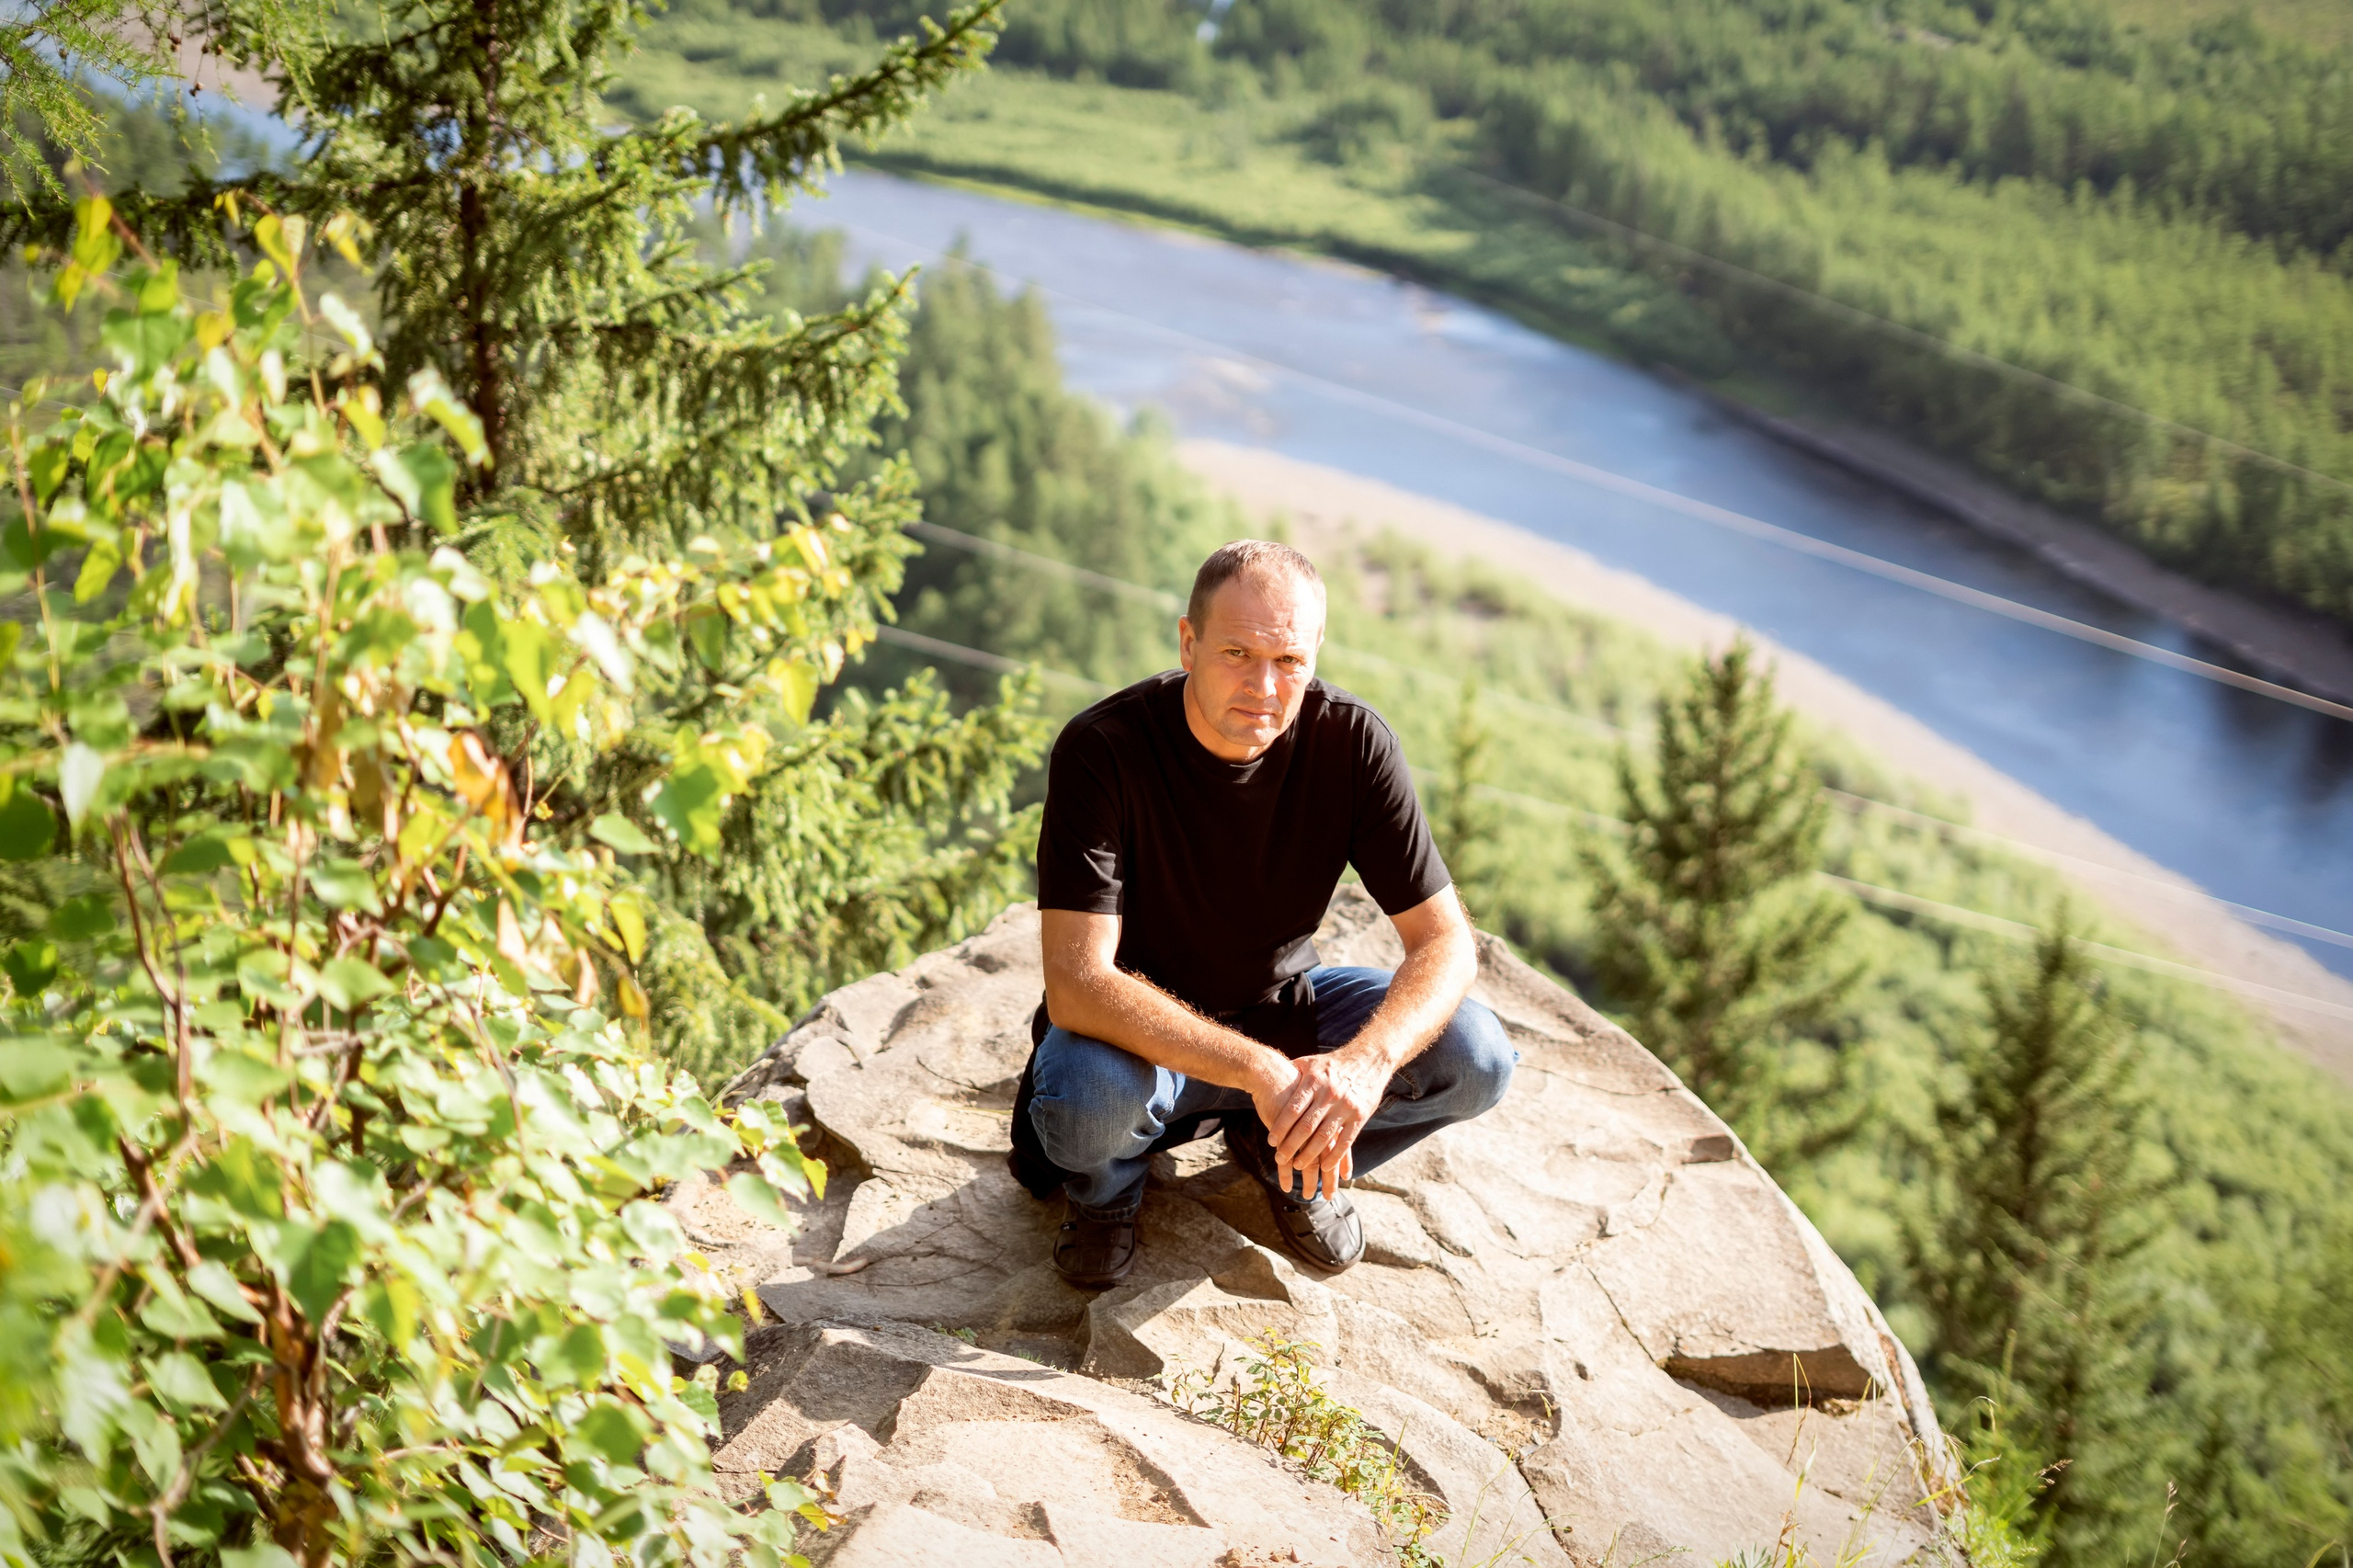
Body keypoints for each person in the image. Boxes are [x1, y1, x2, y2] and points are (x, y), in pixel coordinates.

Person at [1007, 539, 1516, 1289]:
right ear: (1188, 642)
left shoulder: (1353, 743)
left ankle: (1288, 1155)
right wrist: (1262, 1072)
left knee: (1477, 1057)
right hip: (1131, 1050)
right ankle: (1109, 1194)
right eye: (1237, 653)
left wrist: (1358, 1068)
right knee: (1085, 1103)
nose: (1265, 687)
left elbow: (1445, 942)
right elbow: (1080, 984)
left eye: (1289, 662)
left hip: (1285, 1015)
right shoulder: (1103, 750)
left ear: (1314, 657)